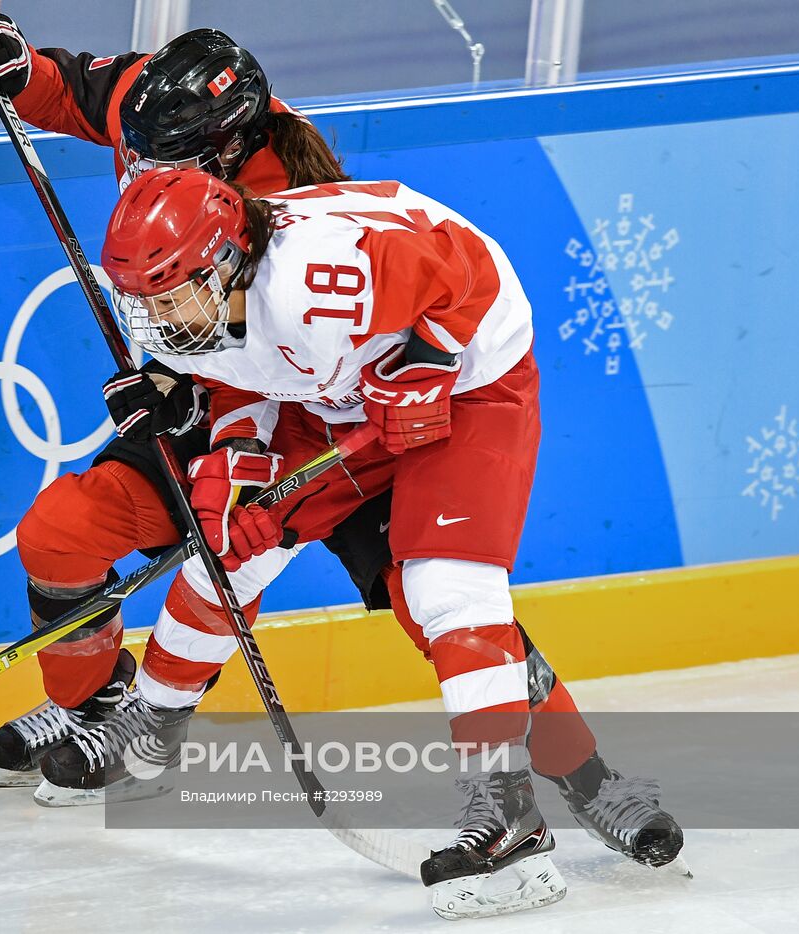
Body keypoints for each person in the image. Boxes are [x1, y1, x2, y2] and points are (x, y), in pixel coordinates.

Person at [0, 18, 625, 840]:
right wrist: (16, 72)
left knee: (440, 601)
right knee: (67, 532)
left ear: (232, 156)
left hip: (335, 400)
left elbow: (297, 339)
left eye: (178, 167)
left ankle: (582, 772)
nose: (146, 176)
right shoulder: (159, 107)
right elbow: (79, 94)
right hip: (242, 388)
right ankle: (100, 710)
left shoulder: (284, 213)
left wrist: (215, 415)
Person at [88, 167, 684, 918]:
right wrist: (237, 465)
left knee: (446, 592)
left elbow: (463, 268)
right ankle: (152, 722)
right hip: (342, 392)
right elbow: (247, 379)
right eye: (143, 299)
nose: (156, 318)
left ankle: (513, 809)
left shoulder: (321, 277)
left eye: (168, 294)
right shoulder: (208, 310)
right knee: (226, 549)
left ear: (226, 263)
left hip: (467, 384)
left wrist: (431, 358)